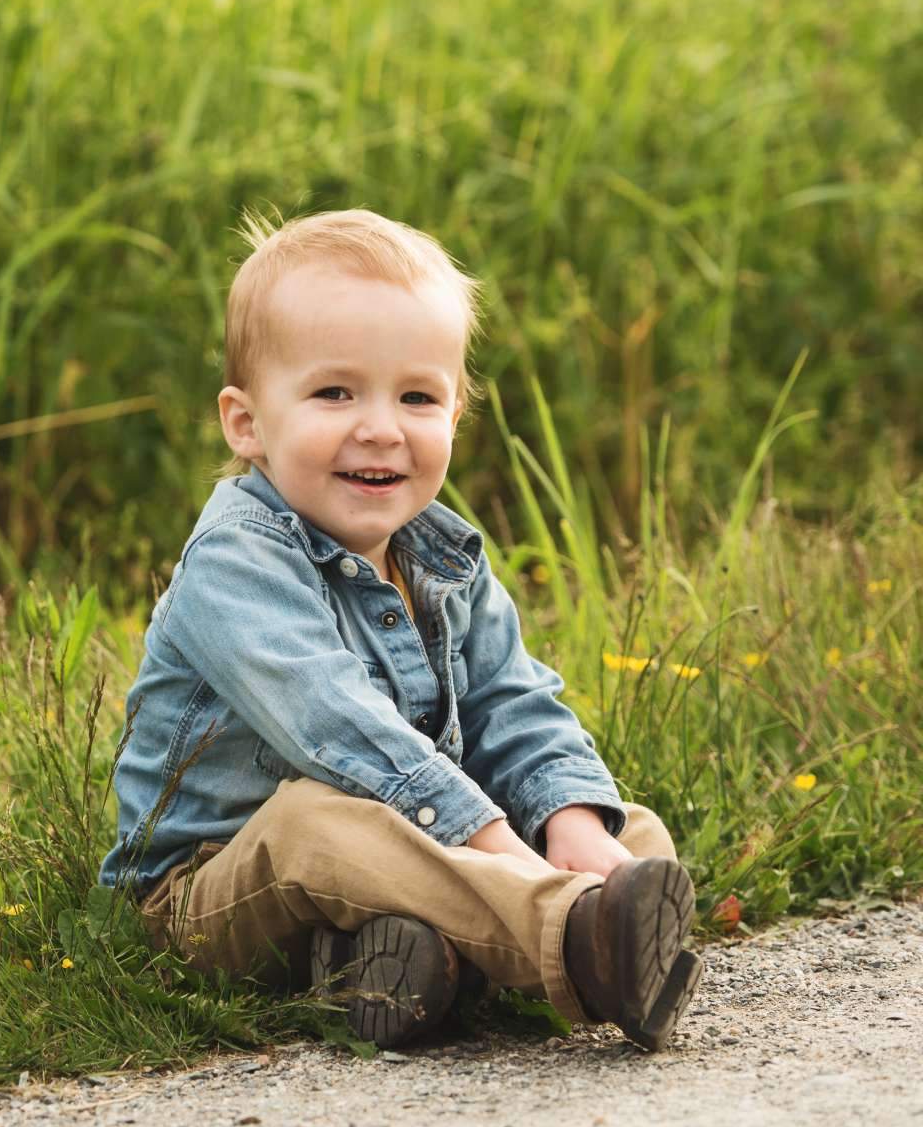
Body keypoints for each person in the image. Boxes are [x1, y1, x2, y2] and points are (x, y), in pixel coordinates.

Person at [98, 208, 701, 1051]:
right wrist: (503, 850)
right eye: (334, 392)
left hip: (408, 841)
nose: (381, 426)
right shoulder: (232, 562)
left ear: (455, 416)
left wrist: (568, 826)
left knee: (628, 832)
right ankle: (572, 944)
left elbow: (513, 702)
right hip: (213, 892)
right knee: (317, 820)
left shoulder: (443, 555)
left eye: (417, 396)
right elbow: (340, 730)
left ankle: (387, 963)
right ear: (247, 423)